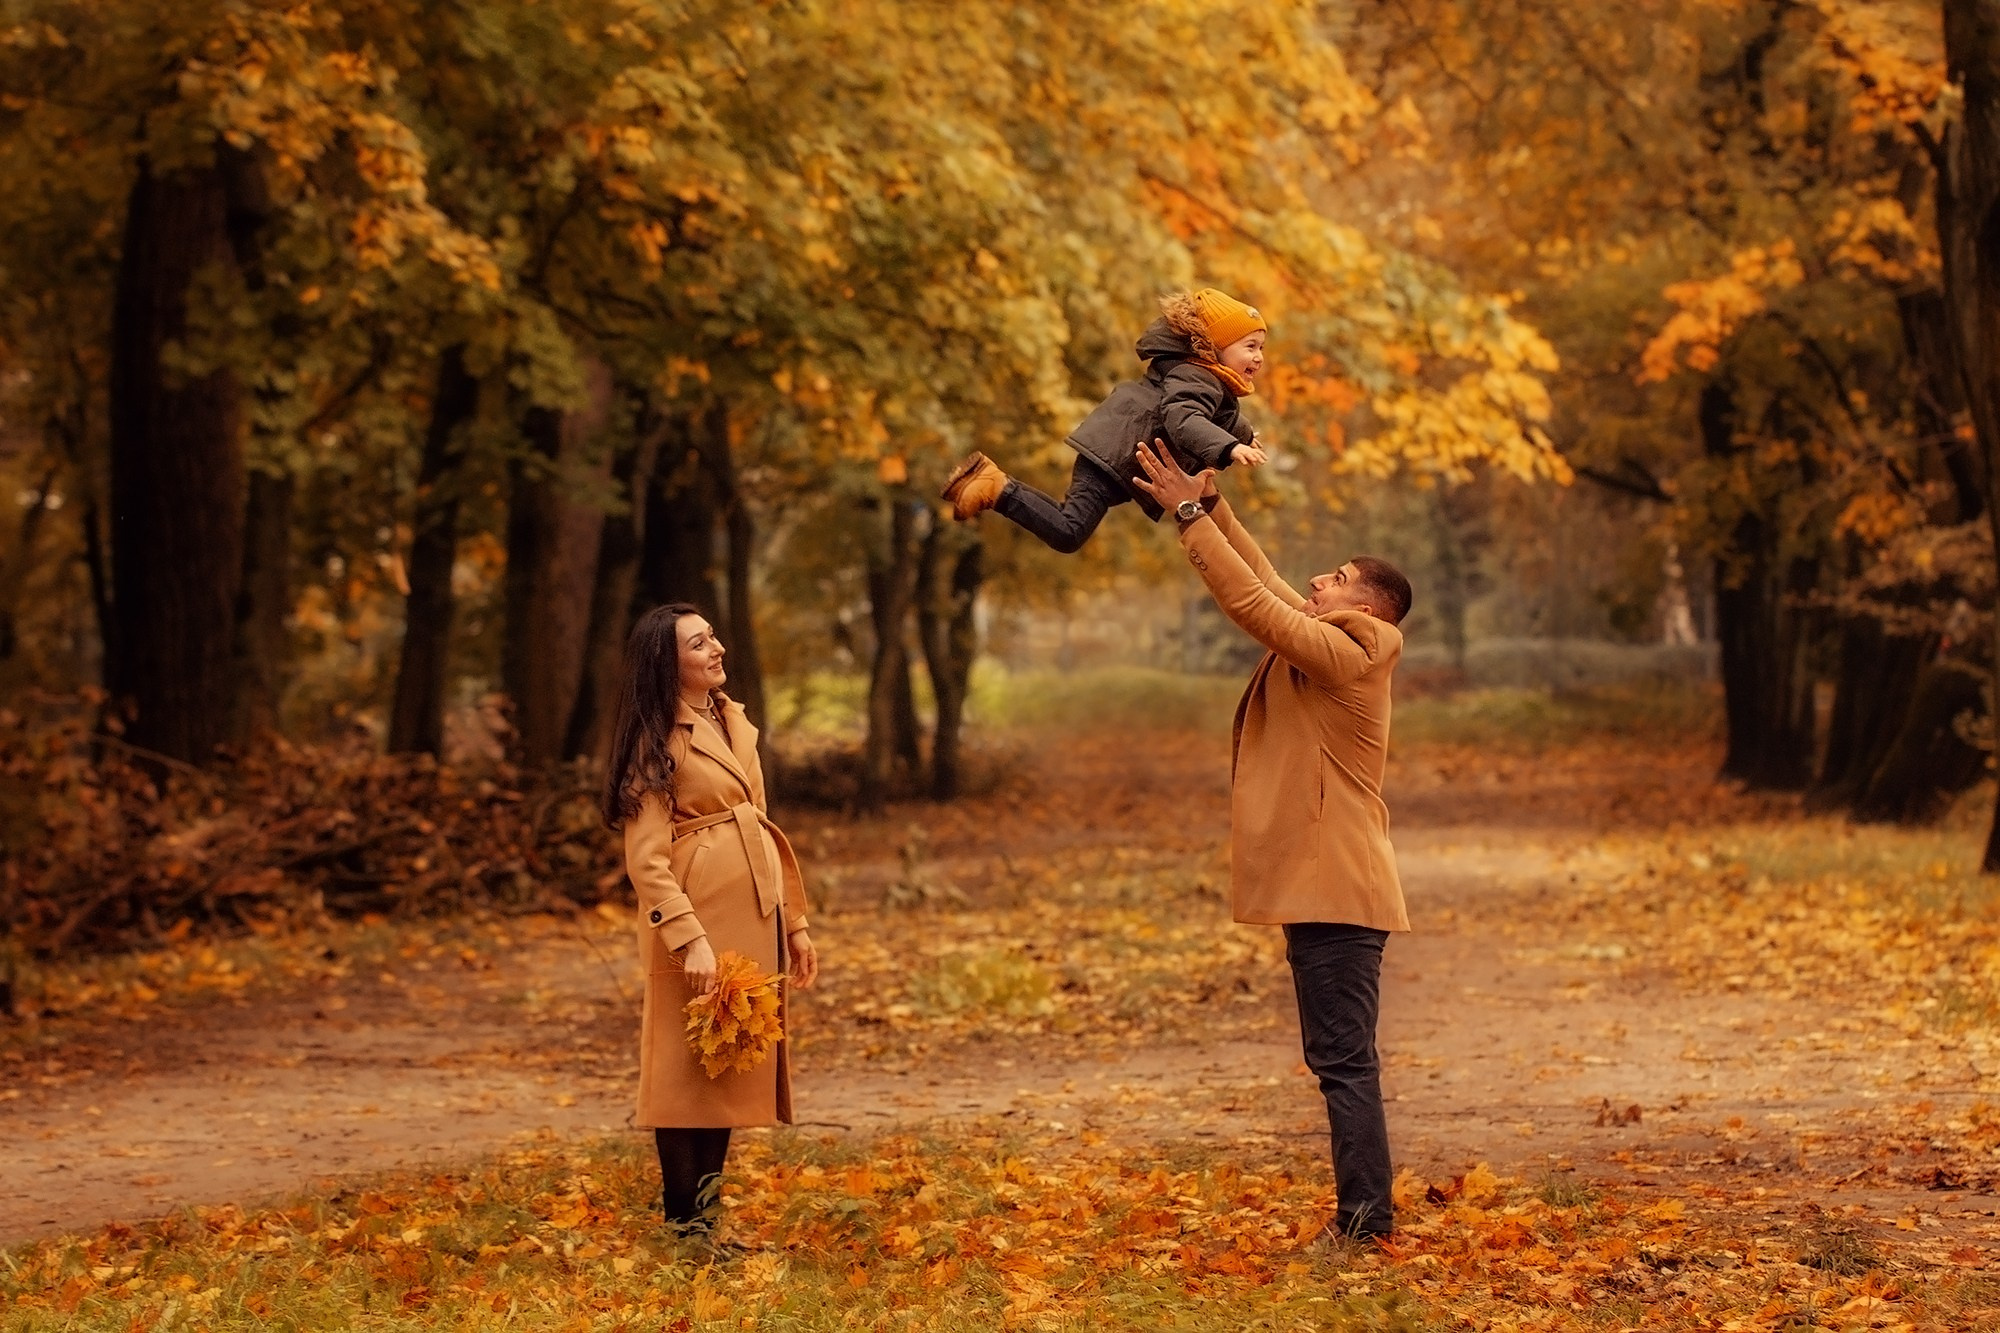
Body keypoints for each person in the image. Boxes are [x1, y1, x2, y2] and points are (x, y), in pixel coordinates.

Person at [1132, 440, 1413, 1242]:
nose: (1320, 580)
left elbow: (1253, 606)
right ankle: (1366, 1217)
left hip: (1338, 885)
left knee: (1344, 1062)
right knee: (1340, 1058)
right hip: (1325, 883)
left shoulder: (1351, 654)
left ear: (1370, 606)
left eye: (1338, 576)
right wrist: (1211, 505)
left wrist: (1189, 517)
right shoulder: (1332, 643)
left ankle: (1366, 1222)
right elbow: (1264, 581)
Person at [600, 603, 819, 1236]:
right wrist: (687, 939)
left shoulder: (733, 720)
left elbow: (766, 827)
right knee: (682, 1073)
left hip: (751, 916)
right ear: (669, 664)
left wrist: (794, 924)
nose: (717, 648)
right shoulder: (655, 742)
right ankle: (682, 1227)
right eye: (700, 644)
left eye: (714, 637)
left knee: (726, 1065)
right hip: (694, 925)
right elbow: (646, 862)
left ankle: (708, 1225)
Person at [938, 288, 1273, 551]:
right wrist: (1229, 447)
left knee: (1069, 521)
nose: (1258, 357)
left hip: (1119, 459)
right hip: (1113, 455)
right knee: (1070, 532)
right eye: (1250, 346)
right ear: (1214, 347)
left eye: (1261, 348)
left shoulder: (1204, 379)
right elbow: (1184, 418)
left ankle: (994, 487)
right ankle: (996, 487)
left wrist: (1242, 435)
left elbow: (1218, 413)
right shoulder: (1195, 375)